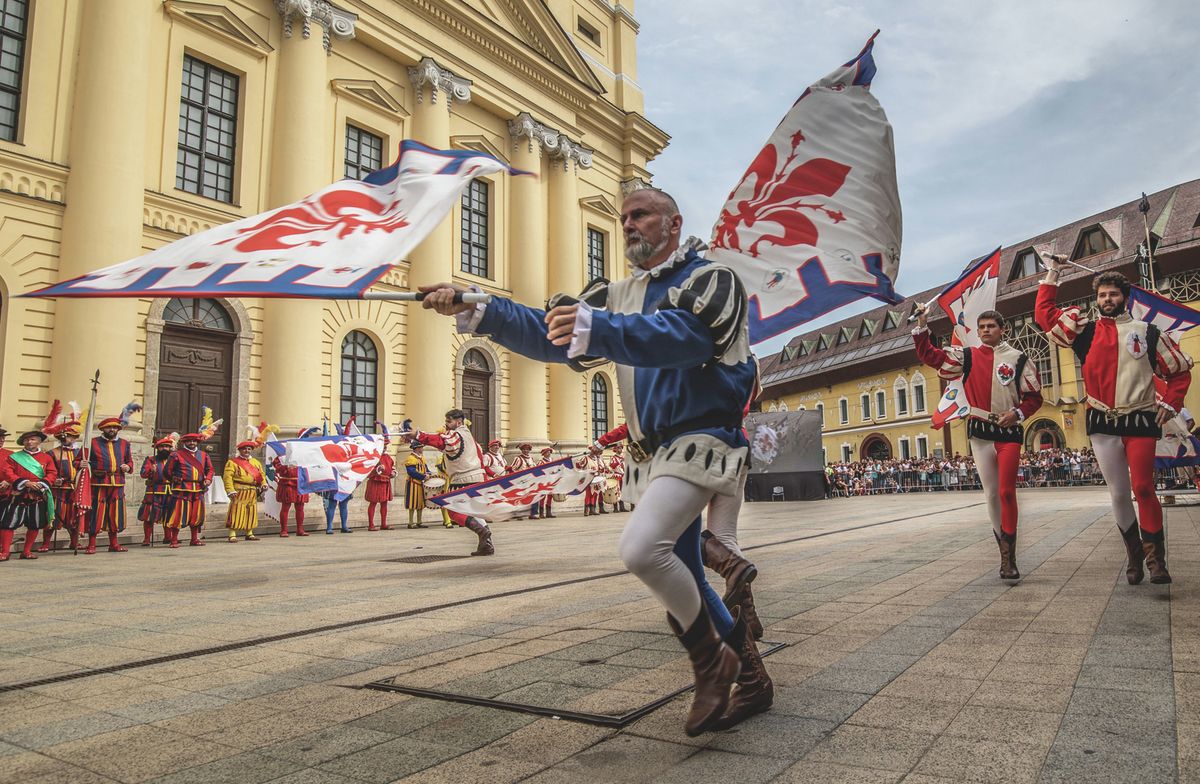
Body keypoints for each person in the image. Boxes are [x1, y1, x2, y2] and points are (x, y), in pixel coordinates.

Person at [420, 187, 771, 735]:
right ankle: (750, 677)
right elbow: (551, 332)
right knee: (686, 577)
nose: (629, 224)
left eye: (641, 215)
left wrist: (599, 327)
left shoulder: (712, 279)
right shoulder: (616, 293)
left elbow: (688, 338)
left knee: (641, 549)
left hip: (701, 438)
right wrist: (479, 307)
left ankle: (713, 661)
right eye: (624, 217)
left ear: (673, 224)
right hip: (650, 452)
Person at [1037, 262, 1193, 583]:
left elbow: (1179, 371)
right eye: (1102, 294)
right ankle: (1134, 557)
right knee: (1120, 494)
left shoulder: (1148, 332)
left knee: (1144, 488)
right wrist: (1053, 274)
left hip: (1140, 418)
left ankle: (1156, 563)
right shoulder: (1085, 331)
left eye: (1113, 293)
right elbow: (1044, 316)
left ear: (1125, 296)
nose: (1107, 298)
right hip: (1102, 421)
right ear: (1097, 299)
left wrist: (1173, 402)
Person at [914, 307, 1043, 580]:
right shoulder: (969, 356)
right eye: (982, 326)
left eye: (991, 326)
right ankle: (1004, 556)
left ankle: (1011, 558)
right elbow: (932, 357)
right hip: (980, 432)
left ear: (1002, 329)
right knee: (991, 494)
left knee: (1007, 492)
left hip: (1008, 432)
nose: (985, 330)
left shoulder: (1019, 359)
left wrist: (1018, 413)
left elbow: (1034, 398)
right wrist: (922, 325)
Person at [413, 410, 494, 555]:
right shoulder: (470, 438)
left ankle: (481, 531)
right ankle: (486, 545)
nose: (446, 424)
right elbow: (482, 460)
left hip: (463, 479)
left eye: (449, 421)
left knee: (453, 510)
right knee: (475, 513)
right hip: (477, 478)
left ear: (459, 422)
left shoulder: (457, 434)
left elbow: (442, 442)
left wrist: (419, 436)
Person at [1, 429, 58, 560]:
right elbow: (7, 472)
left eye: (32, 439)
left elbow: (52, 473)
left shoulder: (46, 458)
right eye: (27, 440)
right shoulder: (14, 457)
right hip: (17, 494)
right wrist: (25, 483)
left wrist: (42, 484)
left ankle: (26, 551)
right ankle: (5, 552)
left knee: (34, 524)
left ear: (39, 441)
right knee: (8, 523)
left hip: (37, 495)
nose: (29, 442)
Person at [165, 432, 214, 547]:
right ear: (184, 442)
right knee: (178, 514)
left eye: (194, 441)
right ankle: (174, 540)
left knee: (196, 515)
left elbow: (210, 469)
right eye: (189, 441)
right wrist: (174, 478)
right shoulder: (176, 455)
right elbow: (167, 471)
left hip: (198, 489)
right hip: (181, 489)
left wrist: (208, 479)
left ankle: (194, 539)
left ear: (197, 442)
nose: (192, 443)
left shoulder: (203, 455)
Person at [41, 422, 83, 552]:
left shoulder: (80, 453)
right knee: (53, 515)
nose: (67, 439)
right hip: (58, 490)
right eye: (65, 437)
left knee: (73, 517)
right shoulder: (52, 453)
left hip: (75, 489)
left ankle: (74, 542)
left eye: (70, 436)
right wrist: (54, 481)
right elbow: (46, 471)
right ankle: (46, 543)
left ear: (75, 438)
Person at [223, 439, 266, 542]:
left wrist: (263, 483)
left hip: (252, 491)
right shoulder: (232, 462)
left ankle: (249, 533)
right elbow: (227, 477)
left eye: (249, 449)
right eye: (244, 449)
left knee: (251, 512)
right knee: (236, 511)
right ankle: (232, 534)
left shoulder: (255, 462)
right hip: (239, 491)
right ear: (240, 450)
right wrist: (230, 490)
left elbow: (261, 475)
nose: (247, 451)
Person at [273, 428, 311, 537]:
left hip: (301, 484)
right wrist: (286, 466)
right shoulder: (282, 455)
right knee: (286, 507)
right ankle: (283, 530)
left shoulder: (305, 455)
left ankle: (300, 529)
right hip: (287, 484)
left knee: (300, 507)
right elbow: (277, 467)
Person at [138, 436, 175, 546]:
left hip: (170, 490)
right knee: (150, 515)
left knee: (169, 514)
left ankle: (168, 537)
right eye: (162, 446)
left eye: (167, 447)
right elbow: (143, 474)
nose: (164, 449)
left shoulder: (173, 460)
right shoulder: (151, 460)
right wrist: (151, 470)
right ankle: (147, 539)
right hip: (154, 490)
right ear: (157, 448)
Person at [366, 426, 397, 531]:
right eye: (383, 446)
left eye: (385, 446)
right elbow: (368, 469)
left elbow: (392, 467)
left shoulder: (388, 457)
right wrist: (378, 468)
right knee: (373, 503)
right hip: (376, 481)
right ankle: (371, 525)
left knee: (384, 503)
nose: (385, 448)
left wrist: (393, 473)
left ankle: (383, 524)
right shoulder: (373, 457)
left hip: (385, 482)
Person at [507, 443, 538, 519]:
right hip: (521, 481)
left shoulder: (531, 459)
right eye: (524, 449)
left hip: (530, 480)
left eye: (527, 449)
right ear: (521, 450)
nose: (526, 451)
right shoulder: (518, 458)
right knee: (520, 497)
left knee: (533, 496)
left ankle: (532, 513)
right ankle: (519, 514)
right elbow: (513, 469)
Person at [404, 441, 430, 528]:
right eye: (421, 447)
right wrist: (423, 476)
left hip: (420, 483)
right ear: (417, 448)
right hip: (413, 483)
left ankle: (419, 521)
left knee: (420, 503)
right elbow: (411, 472)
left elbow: (426, 468)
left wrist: (428, 473)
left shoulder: (421, 458)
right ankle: (410, 523)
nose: (422, 449)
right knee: (412, 503)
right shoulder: (411, 458)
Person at [535, 446, 557, 519]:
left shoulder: (552, 460)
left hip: (551, 480)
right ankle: (541, 513)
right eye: (547, 452)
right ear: (544, 454)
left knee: (550, 496)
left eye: (549, 452)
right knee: (542, 496)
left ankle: (548, 512)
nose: (549, 453)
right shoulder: (541, 462)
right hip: (544, 481)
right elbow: (538, 471)